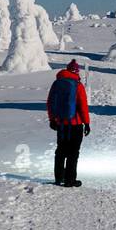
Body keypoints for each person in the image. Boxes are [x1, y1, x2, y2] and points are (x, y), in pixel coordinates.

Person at [46, 59, 90, 187]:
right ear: (76, 71)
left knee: (60, 151)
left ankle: (59, 178)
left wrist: (52, 120)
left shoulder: (56, 83)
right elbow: (83, 106)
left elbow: (50, 103)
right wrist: (86, 123)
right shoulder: (78, 85)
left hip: (61, 124)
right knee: (73, 152)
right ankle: (70, 180)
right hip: (75, 124)